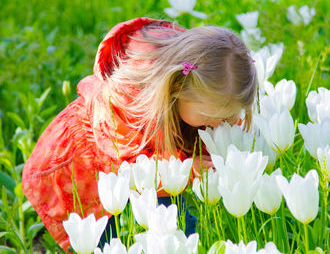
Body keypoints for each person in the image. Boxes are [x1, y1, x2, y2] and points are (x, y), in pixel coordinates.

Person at [22, 17, 257, 252]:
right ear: (177, 88)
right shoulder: (130, 102)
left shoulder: (208, 80)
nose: (218, 124)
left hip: (156, 151)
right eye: (210, 115)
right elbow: (135, 169)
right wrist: (186, 168)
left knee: (176, 226)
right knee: (102, 241)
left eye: (226, 115)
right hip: (87, 165)